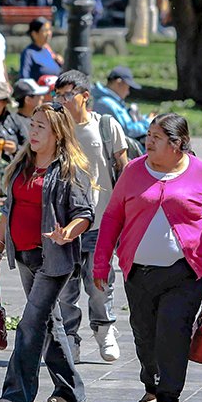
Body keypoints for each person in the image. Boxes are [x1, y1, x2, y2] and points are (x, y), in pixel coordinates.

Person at [93, 114, 202, 402]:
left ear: (177, 144)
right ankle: (151, 385)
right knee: (144, 333)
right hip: (138, 271)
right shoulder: (133, 170)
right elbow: (112, 217)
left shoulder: (201, 173)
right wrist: (101, 263)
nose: (148, 141)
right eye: (148, 135)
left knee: (173, 330)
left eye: (156, 137)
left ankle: (169, 396)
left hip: (185, 271)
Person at [0, 103, 93, 402]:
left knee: (30, 324)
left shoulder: (68, 170)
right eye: (32, 125)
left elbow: (84, 214)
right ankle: (69, 390)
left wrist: (67, 233)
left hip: (53, 260)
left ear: (58, 133)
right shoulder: (22, 164)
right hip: (24, 256)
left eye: (40, 127)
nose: (32, 132)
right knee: (50, 323)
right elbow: (8, 209)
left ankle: (16, 395)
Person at [52, 70, 128, 363]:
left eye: (68, 95)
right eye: (58, 95)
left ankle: (104, 330)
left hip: (101, 220)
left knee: (100, 282)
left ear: (85, 96)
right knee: (65, 288)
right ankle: (70, 339)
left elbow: (124, 170)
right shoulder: (56, 129)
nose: (62, 101)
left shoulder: (106, 127)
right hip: (64, 224)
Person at [92, 66, 150, 145]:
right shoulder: (107, 104)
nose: (128, 92)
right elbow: (128, 131)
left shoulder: (111, 101)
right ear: (118, 83)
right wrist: (148, 123)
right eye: (127, 87)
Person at [19, 17, 63, 82]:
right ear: (34, 34)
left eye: (49, 30)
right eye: (45, 30)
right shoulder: (28, 53)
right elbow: (24, 78)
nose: (49, 33)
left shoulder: (49, 51)